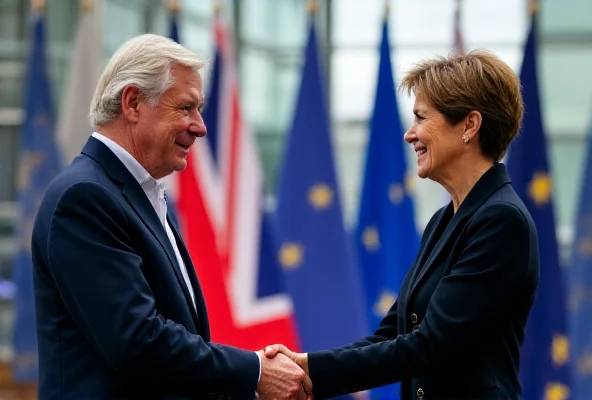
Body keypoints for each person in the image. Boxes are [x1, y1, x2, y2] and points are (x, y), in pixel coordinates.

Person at [32, 33, 311, 400]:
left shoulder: (140, 196)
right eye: (185, 108)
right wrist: (255, 372)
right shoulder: (84, 198)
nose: (200, 125)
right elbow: (137, 342)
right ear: (132, 103)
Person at [265, 50, 539, 400]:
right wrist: (305, 366)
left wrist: (310, 371)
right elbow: (393, 334)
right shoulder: (444, 221)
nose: (410, 135)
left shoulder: (502, 221)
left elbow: (430, 344)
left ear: (470, 125)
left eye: (422, 118)